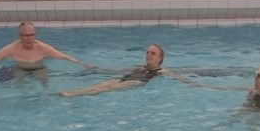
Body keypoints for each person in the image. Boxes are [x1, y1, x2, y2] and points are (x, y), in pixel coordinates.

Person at [0, 22, 92, 84]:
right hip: (20, 69)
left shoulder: (42, 47)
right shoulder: (12, 48)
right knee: (19, 87)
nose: (29, 38)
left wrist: (84, 64)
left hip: (39, 69)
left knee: (45, 86)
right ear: (20, 36)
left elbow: (64, 56)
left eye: (31, 35)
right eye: (25, 35)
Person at [59, 44, 193, 98]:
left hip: (137, 81)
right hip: (127, 78)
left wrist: (191, 83)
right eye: (147, 52)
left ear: (160, 58)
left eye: (153, 53)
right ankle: (74, 92)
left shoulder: (161, 71)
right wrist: (98, 69)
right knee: (103, 84)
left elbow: (178, 77)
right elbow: (116, 70)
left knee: (107, 88)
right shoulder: (139, 67)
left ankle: (73, 95)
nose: (149, 55)